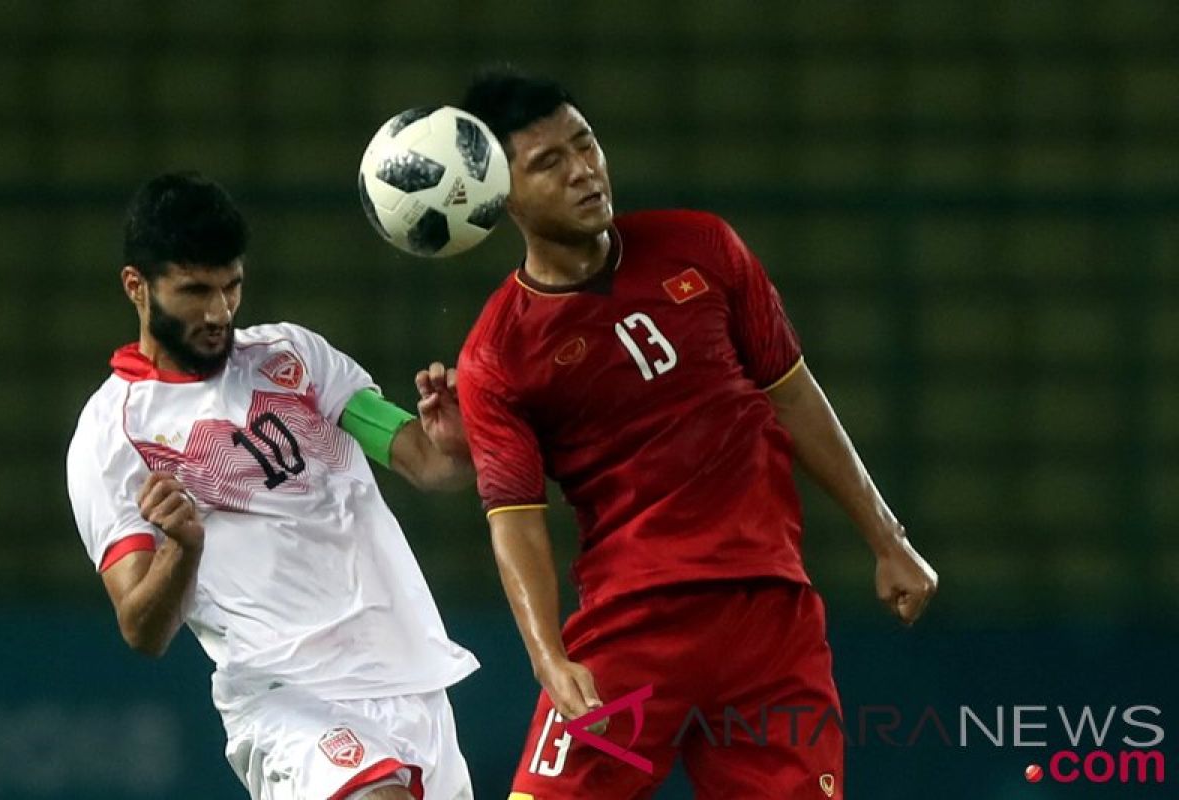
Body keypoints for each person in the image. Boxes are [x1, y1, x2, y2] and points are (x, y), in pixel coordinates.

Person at [456, 71, 939, 799]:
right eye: (549, 164)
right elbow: (516, 520)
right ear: (501, 195)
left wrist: (888, 540)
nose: (584, 171)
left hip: (769, 618)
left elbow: (795, 396)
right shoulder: (496, 354)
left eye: (585, 145)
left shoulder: (701, 246)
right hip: (633, 624)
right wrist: (548, 657)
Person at [66, 171, 479, 800]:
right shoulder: (110, 434)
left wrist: (456, 440)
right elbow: (141, 629)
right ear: (136, 287)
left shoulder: (296, 356)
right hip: (287, 697)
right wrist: (183, 545)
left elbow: (429, 466)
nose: (217, 312)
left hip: (410, 678)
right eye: (194, 291)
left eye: (230, 287)